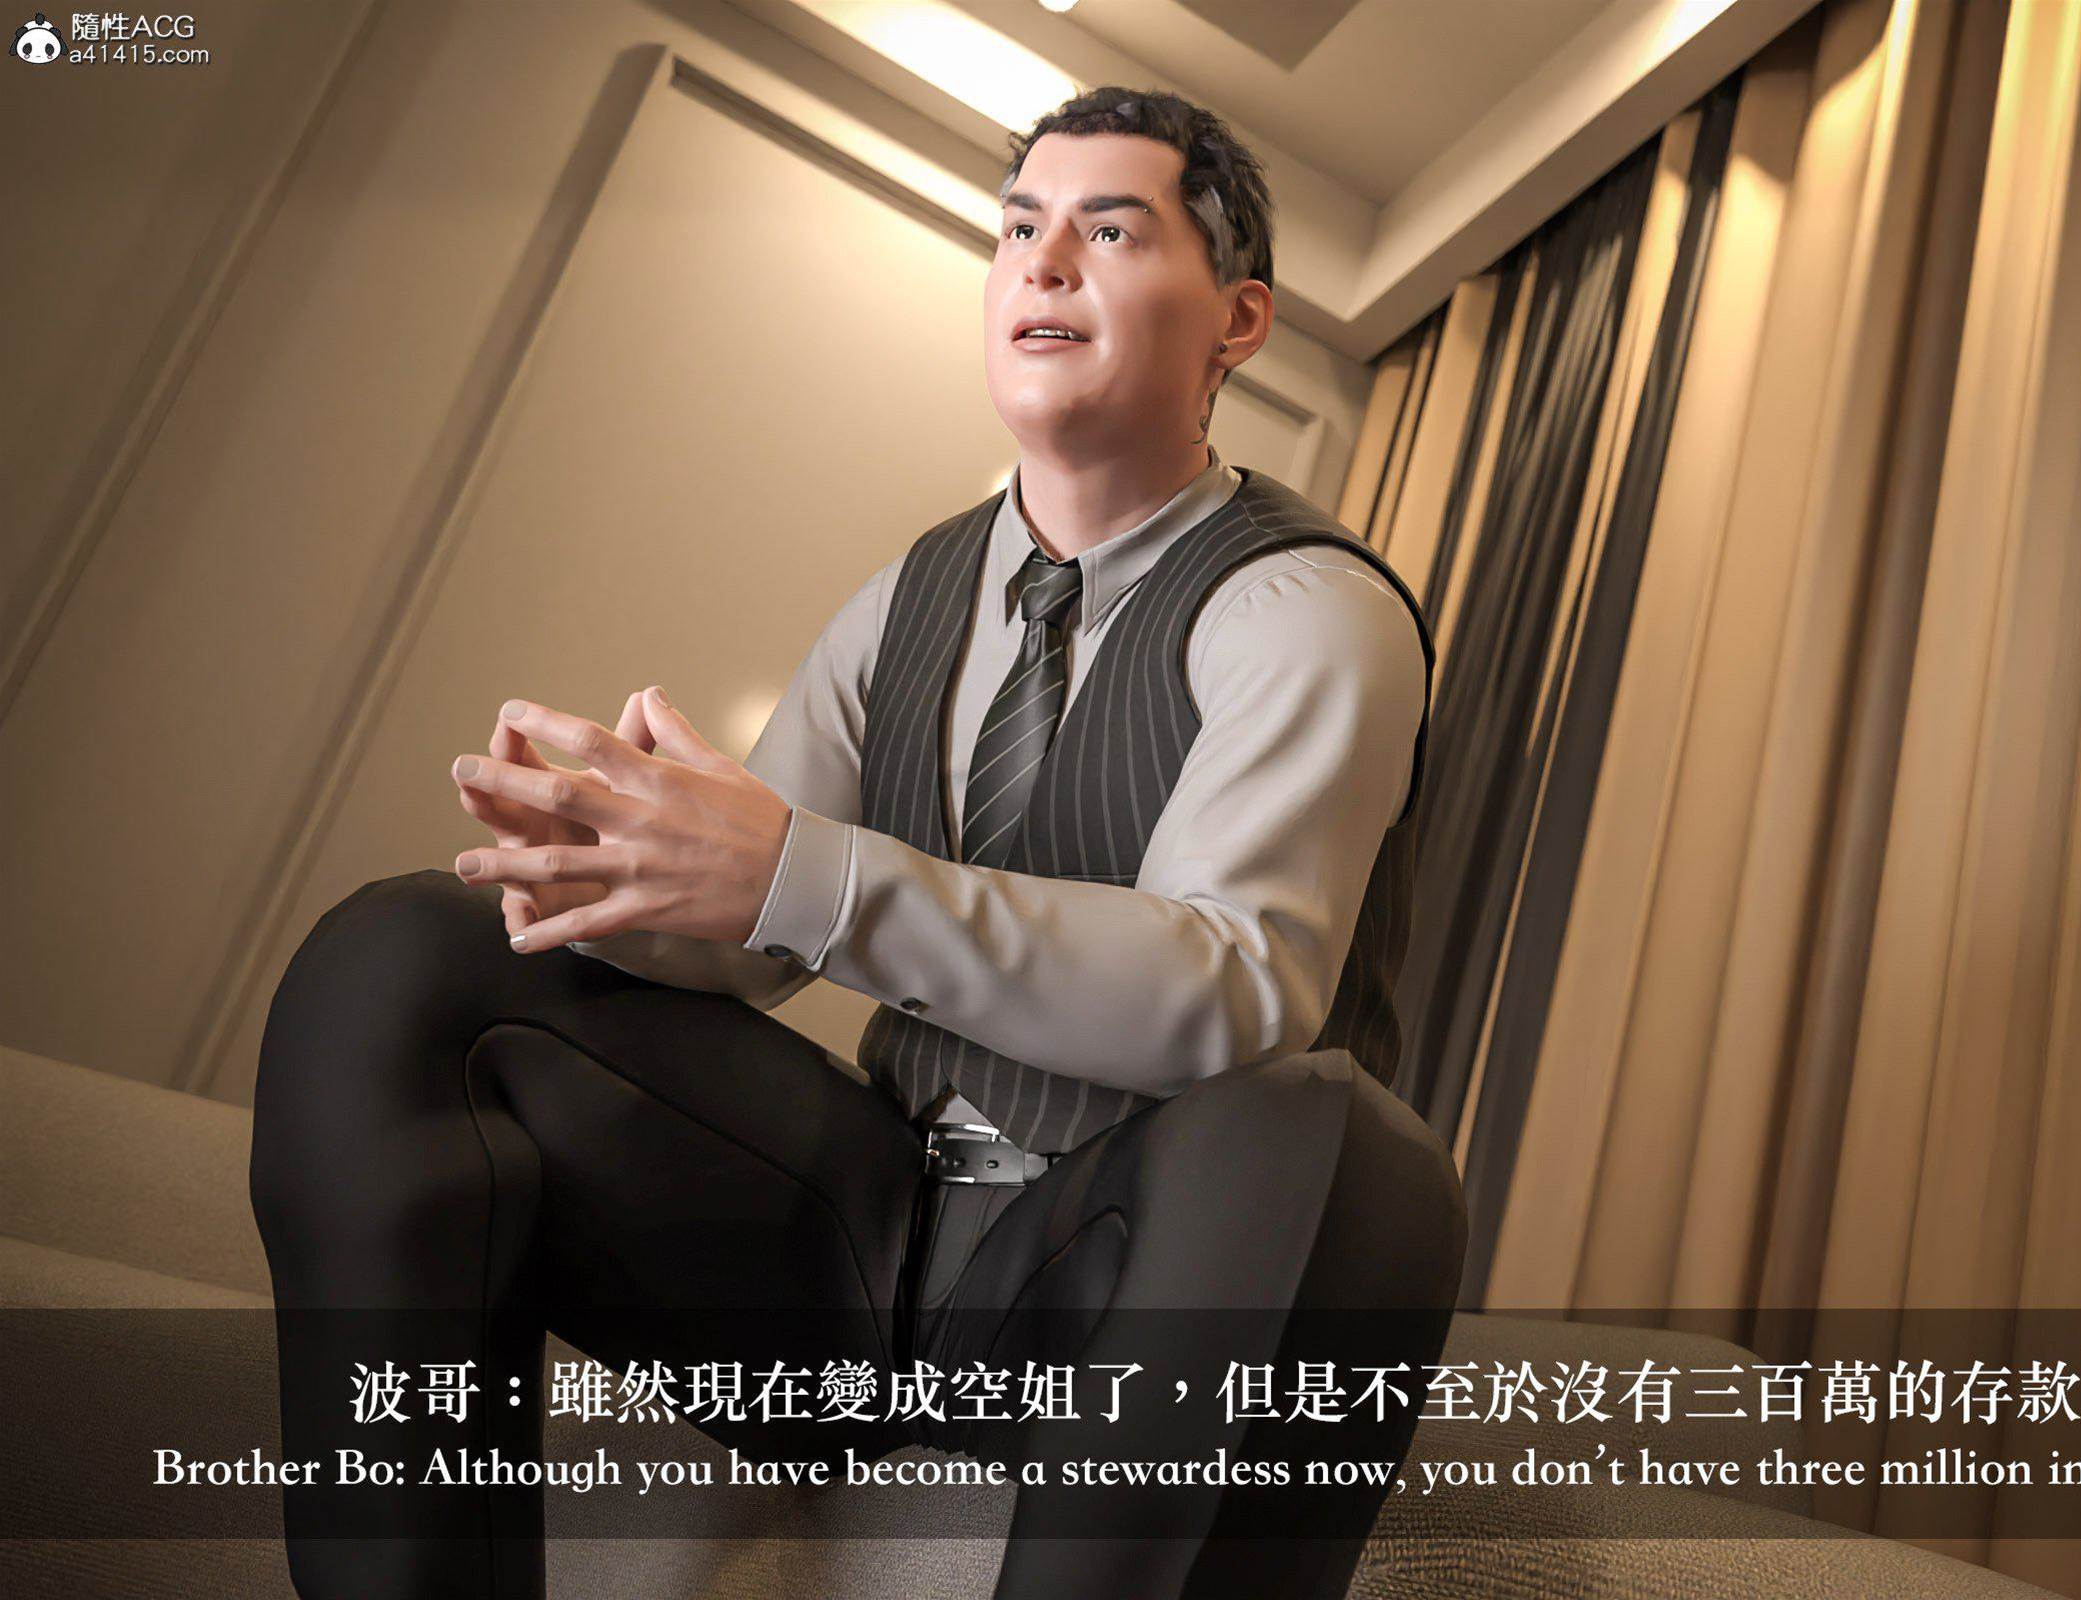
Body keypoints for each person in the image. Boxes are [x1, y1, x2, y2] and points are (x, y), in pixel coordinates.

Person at [249, 85, 1465, 1599]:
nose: (1043, 262)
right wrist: (619, 878)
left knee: (1347, 1146)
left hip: (1106, 1280)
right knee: (407, 954)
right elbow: (753, 941)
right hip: (856, 1243)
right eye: (1019, 228)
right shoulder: (908, 601)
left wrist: (804, 874)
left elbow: (1237, 990)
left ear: (1239, 319)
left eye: (1108, 231)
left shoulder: (1308, 608)